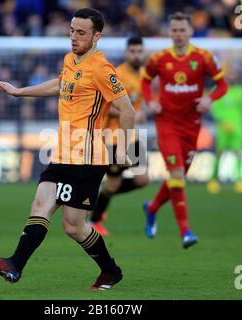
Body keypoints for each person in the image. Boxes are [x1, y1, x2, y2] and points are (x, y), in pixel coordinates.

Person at [0, 8, 136, 290]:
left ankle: (110, 271)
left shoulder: (102, 69)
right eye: (71, 31)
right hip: (63, 152)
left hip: (87, 158)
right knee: (40, 205)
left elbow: (127, 109)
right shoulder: (70, 59)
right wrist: (19, 91)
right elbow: (61, 84)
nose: (73, 37)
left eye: (81, 33)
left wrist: (123, 146)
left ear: (96, 36)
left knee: (73, 226)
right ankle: (14, 265)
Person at [141, 12, 228, 247]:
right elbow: (145, 80)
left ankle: (151, 207)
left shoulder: (204, 57)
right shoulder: (159, 58)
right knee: (177, 175)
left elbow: (222, 85)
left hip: (192, 125)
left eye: (182, 30)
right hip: (166, 123)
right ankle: (185, 231)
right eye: (174, 30)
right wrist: (150, 101)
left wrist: (210, 99)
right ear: (169, 32)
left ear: (190, 32)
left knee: (177, 178)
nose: (178, 34)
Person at [89, 36, 150, 236]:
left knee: (143, 179)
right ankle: (95, 219)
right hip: (113, 139)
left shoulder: (143, 75)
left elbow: (139, 105)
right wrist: (130, 112)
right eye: (132, 51)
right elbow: (106, 107)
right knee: (113, 183)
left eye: (139, 51)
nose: (136, 55)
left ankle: (102, 197)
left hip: (131, 137)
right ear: (126, 53)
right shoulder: (118, 74)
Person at [207, 68, 242, 194]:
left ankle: (239, 181)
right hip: (223, 127)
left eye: (234, 74)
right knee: (219, 153)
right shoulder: (218, 90)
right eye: (230, 74)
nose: (232, 76)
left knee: (239, 153)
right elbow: (214, 108)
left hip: (237, 128)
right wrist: (222, 121)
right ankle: (213, 180)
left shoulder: (241, 91)